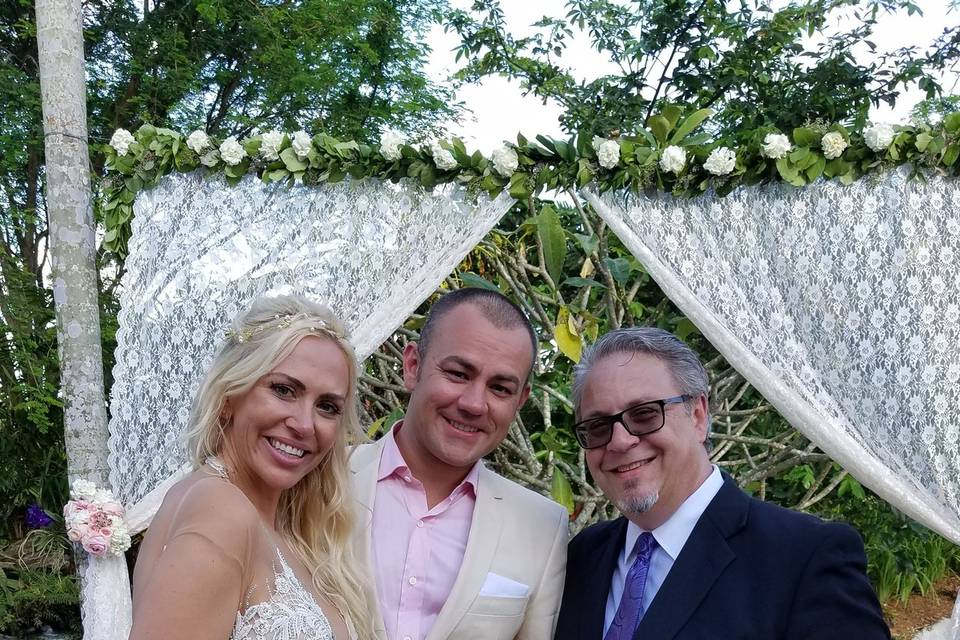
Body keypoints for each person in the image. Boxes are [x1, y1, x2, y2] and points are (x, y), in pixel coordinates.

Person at [555, 327, 890, 640]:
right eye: (598, 426)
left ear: (698, 416)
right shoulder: (583, 556)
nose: (619, 441)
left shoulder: (805, 557)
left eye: (644, 414)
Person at [130, 295, 372, 640]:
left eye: (328, 407)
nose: (305, 424)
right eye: (284, 390)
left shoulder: (285, 531)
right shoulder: (220, 509)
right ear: (229, 397)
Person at [350, 288, 568, 640]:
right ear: (412, 366)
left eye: (499, 388)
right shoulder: (322, 477)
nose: (474, 404)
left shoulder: (542, 527)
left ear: (520, 401)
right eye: (458, 374)